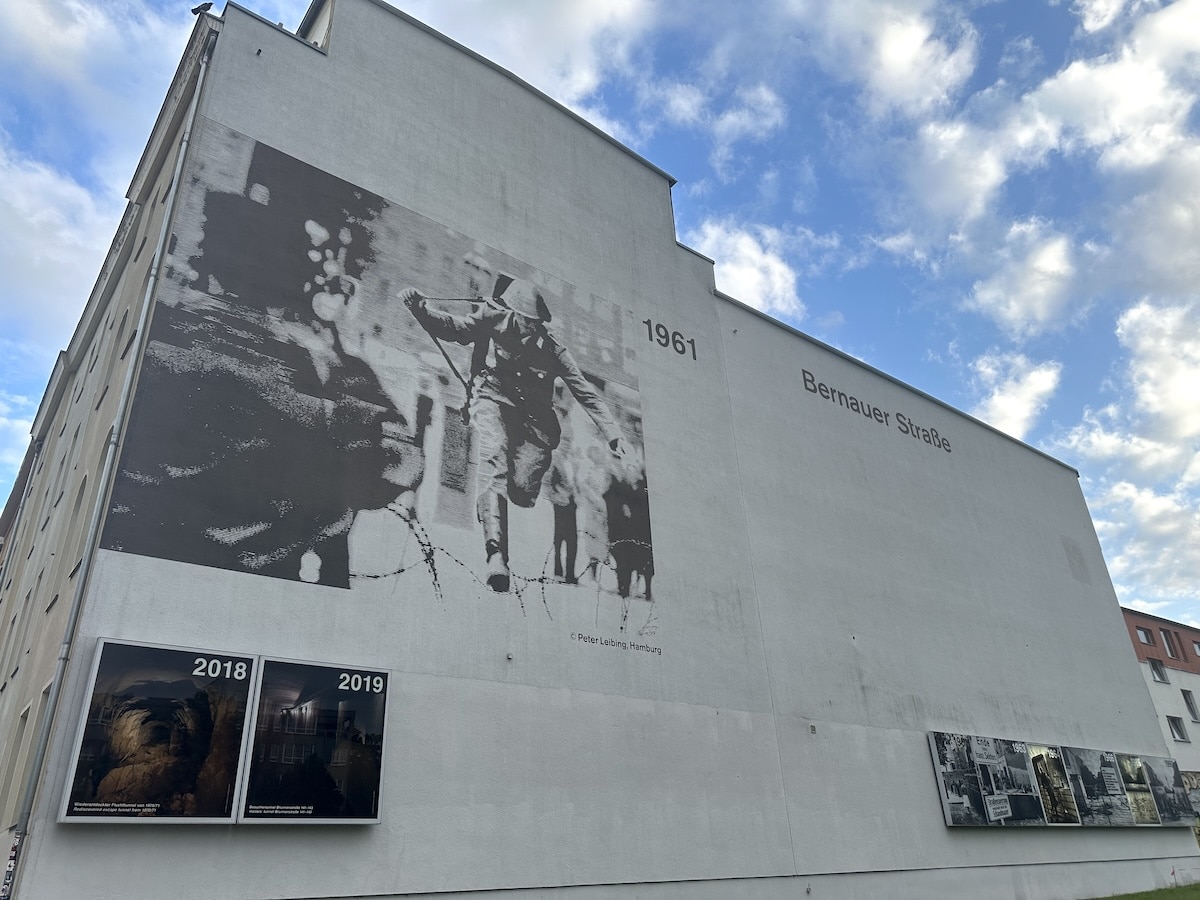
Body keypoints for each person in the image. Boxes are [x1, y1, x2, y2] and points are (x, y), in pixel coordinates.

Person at [400, 275, 625, 592]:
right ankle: (496, 556)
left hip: (534, 423)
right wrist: (421, 309)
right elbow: (455, 328)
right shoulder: (492, 318)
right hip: (492, 400)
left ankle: (510, 502)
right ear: (512, 313)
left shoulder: (553, 349)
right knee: (495, 463)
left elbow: (585, 392)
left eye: (533, 323)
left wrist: (614, 434)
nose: (526, 328)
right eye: (523, 320)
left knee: (519, 489)